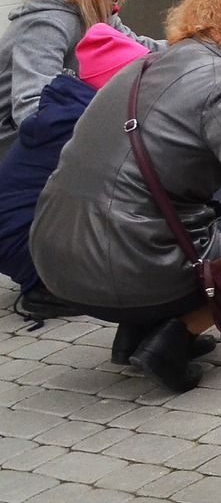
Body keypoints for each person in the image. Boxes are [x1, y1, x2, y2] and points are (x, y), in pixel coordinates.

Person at [30, 0, 221, 392]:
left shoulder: (144, 66)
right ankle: (172, 339)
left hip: (57, 260)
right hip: (126, 266)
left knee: (195, 198)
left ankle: (133, 335)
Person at [2, 25, 152, 322]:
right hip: (22, 239)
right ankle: (45, 287)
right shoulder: (82, 127)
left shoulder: (75, 110)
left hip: (15, 232)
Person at [0, 0, 161, 161]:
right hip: (14, 146)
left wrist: (197, 46)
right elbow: (32, 109)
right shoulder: (48, 22)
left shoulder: (95, 10)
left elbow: (139, 49)